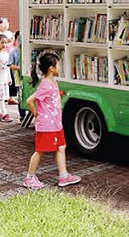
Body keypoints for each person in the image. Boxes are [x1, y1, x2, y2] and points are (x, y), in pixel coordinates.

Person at [23, 53, 81, 189]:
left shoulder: (53, 82)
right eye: (58, 64)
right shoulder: (45, 85)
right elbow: (30, 101)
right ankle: (29, 178)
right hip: (47, 126)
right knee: (40, 151)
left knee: (61, 147)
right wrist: (36, 114)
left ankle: (64, 175)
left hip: (56, 124)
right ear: (51, 68)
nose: (60, 67)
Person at [0, 17, 18, 105]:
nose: (6, 25)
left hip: (8, 58)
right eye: (4, 23)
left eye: (7, 23)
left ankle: (11, 97)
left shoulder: (9, 33)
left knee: (10, 78)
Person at [8, 33, 25, 120]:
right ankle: (22, 116)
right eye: (19, 39)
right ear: (16, 40)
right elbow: (10, 65)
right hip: (18, 78)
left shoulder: (26, 51)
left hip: (28, 78)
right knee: (20, 97)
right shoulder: (13, 52)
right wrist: (20, 68)